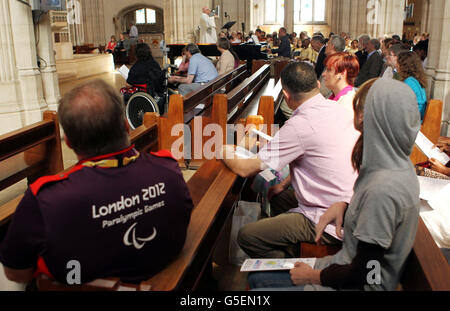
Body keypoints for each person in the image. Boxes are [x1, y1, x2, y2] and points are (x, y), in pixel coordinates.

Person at [0, 79, 193, 285]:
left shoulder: (47, 200)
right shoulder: (168, 169)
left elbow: (16, 273)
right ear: (127, 126)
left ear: (69, 142)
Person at [248, 77, 422, 291]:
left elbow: (368, 273)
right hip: (344, 266)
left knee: (258, 286)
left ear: (369, 119)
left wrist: (313, 276)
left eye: (360, 110)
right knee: (257, 277)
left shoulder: (383, 188)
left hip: (354, 283)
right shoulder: (396, 166)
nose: (355, 116)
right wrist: (346, 207)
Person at [221, 62, 359, 259]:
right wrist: (283, 185)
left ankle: (291, 263)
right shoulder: (338, 109)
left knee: (247, 236)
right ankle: (293, 244)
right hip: (349, 205)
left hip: (326, 218)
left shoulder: (298, 126)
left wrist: (224, 149)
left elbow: (245, 169)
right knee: (276, 194)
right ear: (318, 86)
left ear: (285, 96)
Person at [124, 43, 165, 112]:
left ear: (136, 54)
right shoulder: (155, 64)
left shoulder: (135, 67)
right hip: (157, 93)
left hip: (142, 94)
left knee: (123, 93)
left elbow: (128, 85)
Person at [397, 51, 428, 122]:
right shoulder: (413, 79)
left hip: (413, 120)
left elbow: (402, 104)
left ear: (403, 65)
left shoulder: (409, 82)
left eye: (397, 62)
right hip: (415, 116)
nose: (396, 65)